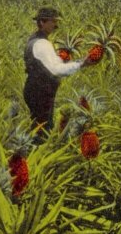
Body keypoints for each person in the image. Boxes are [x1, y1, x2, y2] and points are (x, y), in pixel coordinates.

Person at [23, 7, 91, 141]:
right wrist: (80, 64)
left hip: (34, 89)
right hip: (40, 92)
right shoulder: (42, 44)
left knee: (38, 126)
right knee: (43, 129)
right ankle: (39, 155)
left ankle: (35, 153)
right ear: (42, 22)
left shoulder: (34, 40)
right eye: (52, 21)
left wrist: (65, 59)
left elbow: (49, 63)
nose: (55, 25)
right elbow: (56, 70)